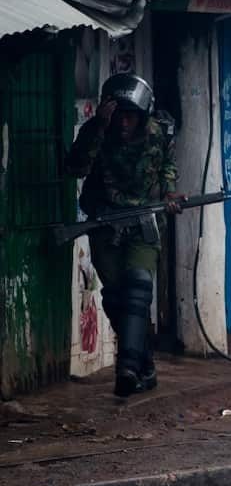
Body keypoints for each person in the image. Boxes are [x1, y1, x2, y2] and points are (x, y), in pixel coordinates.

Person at [65, 73, 181, 398]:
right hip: (105, 224)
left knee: (139, 289)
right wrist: (98, 129)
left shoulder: (157, 133)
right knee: (117, 299)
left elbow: (168, 165)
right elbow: (75, 168)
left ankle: (127, 368)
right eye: (119, 115)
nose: (125, 123)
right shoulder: (97, 133)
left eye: (131, 116)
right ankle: (145, 364)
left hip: (142, 223)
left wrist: (170, 193)